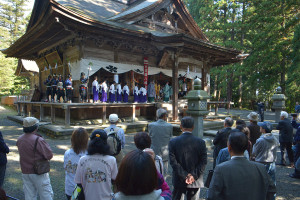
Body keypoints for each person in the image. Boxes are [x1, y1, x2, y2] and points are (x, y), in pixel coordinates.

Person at [208, 132, 276, 200]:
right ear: (246, 147)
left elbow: (212, 195)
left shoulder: (221, 169)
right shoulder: (261, 168)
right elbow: (271, 189)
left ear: (229, 148)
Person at [169, 116, 207, 200]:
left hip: (179, 178)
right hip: (195, 180)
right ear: (193, 127)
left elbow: (173, 162)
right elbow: (203, 161)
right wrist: (193, 175)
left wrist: (184, 175)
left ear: (181, 127)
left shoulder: (173, 142)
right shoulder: (201, 142)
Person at [16, 117, 54, 200]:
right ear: (36, 127)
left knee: (29, 196)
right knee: (46, 195)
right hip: (38, 172)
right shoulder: (38, 140)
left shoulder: (20, 139)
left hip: (25, 171)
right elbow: (49, 155)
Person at [74, 129, 118, 200]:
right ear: (106, 142)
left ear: (91, 142)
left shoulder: (82, 160)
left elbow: (78, 182)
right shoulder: (111, 160)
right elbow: (115, 180)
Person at [252, 121, 279, 200]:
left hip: (261, 163)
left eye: (261, 127)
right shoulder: (274, 138)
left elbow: (254, 152)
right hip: (272, 163)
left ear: (263, 129)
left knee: (261, 183)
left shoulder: (261, 140)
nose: (260, 128)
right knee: (272, 183)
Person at [64, 128, 89, 200]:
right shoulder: (88, 155)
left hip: (70, 188)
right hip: (84, 189)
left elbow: (66, 168)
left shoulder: (67, 153)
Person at [148, 108, 173, 176]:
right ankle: (163, 183)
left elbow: (149, 137)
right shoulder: (169, 126)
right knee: (164, 171)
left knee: (153, 170)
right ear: (164, 116)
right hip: (165, 151)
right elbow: (171, 138)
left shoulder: (151, 125)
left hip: (154, 150)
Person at [289, 114, 300, 178]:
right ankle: (296, 171)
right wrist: (293, 119)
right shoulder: (299, 125)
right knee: (296, 156)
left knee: (297, 157)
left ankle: (297, 173)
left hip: (299, 143)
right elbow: (294, 125)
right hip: (297, 143)